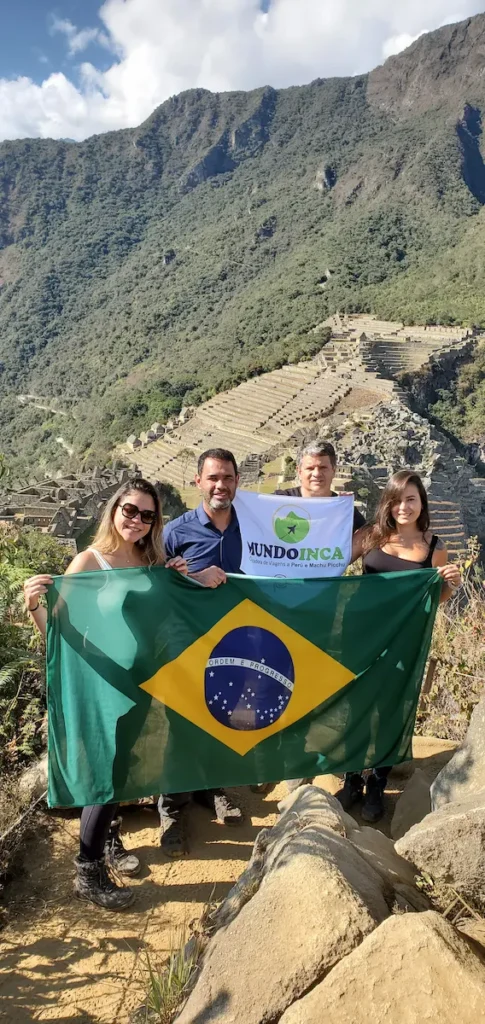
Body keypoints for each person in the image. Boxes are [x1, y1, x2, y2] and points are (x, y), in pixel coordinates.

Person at [23, 477, 187, 910]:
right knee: (106, 777)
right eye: (129, 510)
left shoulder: (151, 560)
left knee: (123, 771)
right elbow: (61, 635)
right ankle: (88, 870)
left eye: (148, 515)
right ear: (113, 510)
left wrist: (180, 579)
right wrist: (36, 606)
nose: (137, 520)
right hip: (103, 684)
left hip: (141, 683)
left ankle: (105, 843)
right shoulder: (89, 562)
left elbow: (164, 615)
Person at [337, 469, 462, 823]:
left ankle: (377, 783)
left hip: (403, 641)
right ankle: (351, 781)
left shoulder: (434, 547)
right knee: (356, 708)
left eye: (411, 499)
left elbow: (435, 598)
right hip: (360, 636)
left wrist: (450, 584)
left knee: (389, 711)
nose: (403, 507)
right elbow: (330, 565)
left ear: (421, 503)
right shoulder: (372, 536)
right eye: (396, 499)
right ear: (387, 504)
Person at [158, 447, 244, 857]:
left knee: (222, 718)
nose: (220, 485)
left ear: (237, 482)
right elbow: (157, 582)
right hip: (185, 644)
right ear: (198, 482)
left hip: (236, 644)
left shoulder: (252, 528)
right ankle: (171, 809)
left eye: (227, 477)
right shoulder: (176, 531)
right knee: (181, 725)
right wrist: (187, 574)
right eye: (212, 477)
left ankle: (213, 789)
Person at [275, 441, 366, 792]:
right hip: (279, 612)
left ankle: (327, 760)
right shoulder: (278, 501)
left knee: (321, 688)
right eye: (310, 467)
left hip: (326, 615)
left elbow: (364, 547)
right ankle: (288, 761)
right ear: (299, 470)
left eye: (323, 468)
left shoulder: (345, 511)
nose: (316, 474)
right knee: (281, 685)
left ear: (333, 471)